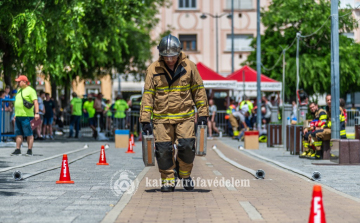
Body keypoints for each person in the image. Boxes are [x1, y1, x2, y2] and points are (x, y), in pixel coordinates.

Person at [140, 34, 209, 192]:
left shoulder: (190, 67)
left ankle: (184, 175)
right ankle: (168, 180)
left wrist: (203, 114)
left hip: (185, 117)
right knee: (163, 150)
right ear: (161, 55)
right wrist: (145, 120)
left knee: (187, 147)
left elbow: (199, 91)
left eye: (172, 56)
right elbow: (148, 95)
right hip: (161, 119)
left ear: (179, 53)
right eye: (166, 56)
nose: (169, 60)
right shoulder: (153, 69)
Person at [11, 75, 39, 156]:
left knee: (28, 133)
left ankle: (29, 150)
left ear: (24, 82)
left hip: (27, 116)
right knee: (18, 133)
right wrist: (16, 114)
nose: (18, 83)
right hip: (18, 115)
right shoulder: (19, 90)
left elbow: (35, 102)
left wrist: (36, 113)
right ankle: (18, 149)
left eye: (19, 81)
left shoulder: (31, 90)